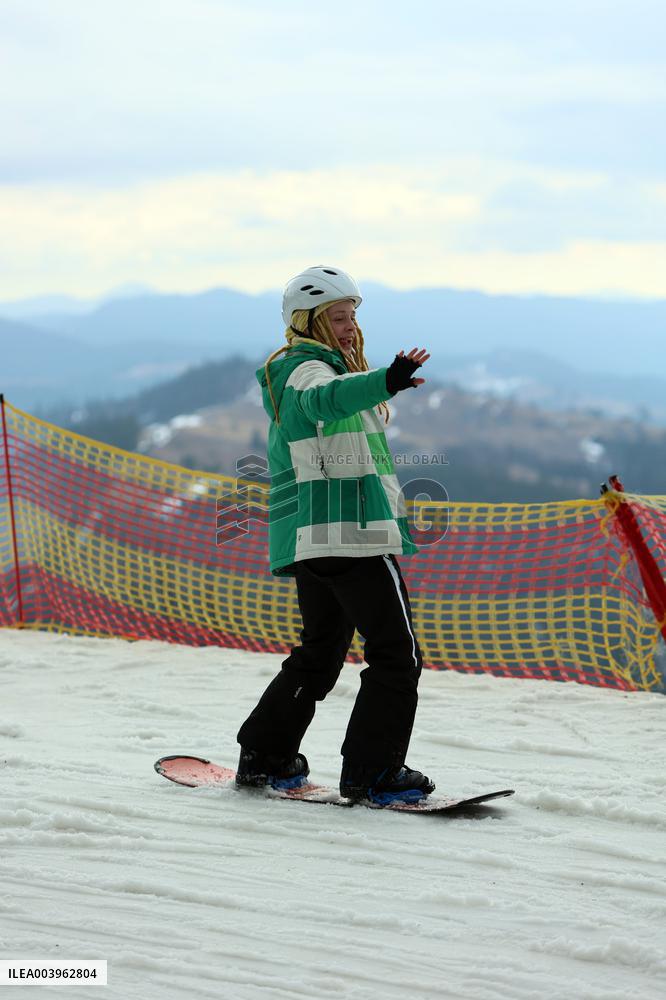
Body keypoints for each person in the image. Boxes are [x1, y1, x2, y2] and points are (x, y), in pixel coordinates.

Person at [236, 265, 434, 805]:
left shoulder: (307, 370)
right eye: (337, 317)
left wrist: (374, 384)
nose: (349, 327)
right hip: (353, 537)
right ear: (307, 321)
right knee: (398, 655)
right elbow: (325, 399)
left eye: (352, 317)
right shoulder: (304, 370)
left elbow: (336, 405)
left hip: (317, 539)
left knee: (320, 655)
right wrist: (385, 381)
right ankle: (373, 773)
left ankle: (267, 755)